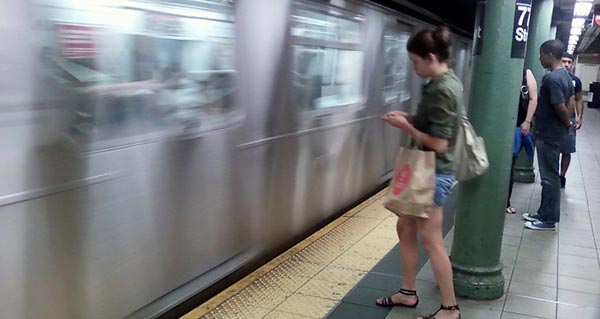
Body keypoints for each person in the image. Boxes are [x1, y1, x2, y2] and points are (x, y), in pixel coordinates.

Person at [376, 26, 461, 319]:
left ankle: (450, 309)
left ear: (431, 57)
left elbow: (439, 142)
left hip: (433, 172)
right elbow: (433, 123)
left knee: (432, 241)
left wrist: (406, 127)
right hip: (426, 169)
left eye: (415, 62)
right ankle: (408, 292)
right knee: (405, 227)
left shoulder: (443, 90)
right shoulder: (442, 81)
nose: (414, 68)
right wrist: (409, 117)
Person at [523, 40, 574, 231]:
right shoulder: (566, 76)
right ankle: (543, 213)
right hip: (554, 133)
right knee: (549, 176)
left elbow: (559, 105)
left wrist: (567, 122)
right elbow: (568, 101)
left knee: (549, 177)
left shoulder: (551, 78)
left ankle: (548, 220)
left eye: (541, 54)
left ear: (550, 54)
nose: (539, 58)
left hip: (549, 134)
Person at [506, 69, 538, 214]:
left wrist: (527, 121)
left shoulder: (525, 72)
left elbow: (533, 97)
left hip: (517, 124)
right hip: (503, 123)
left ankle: (506, 201)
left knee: (509, 165)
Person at [559, 52, 584, 188]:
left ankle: (562, 176)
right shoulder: (552, 77)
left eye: (569, 62)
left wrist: (579, 117)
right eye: (564, 61)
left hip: (571, 118)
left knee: (567, 149)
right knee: (553, 149)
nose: (567, 64)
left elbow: (579, 99)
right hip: (555, 118)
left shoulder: (576, 81)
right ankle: (552, 176)